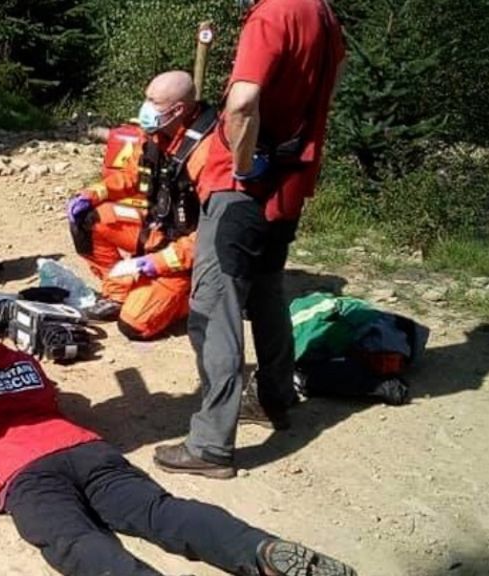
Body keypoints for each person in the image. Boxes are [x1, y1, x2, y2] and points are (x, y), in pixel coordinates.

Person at [0, 300, 357, 576]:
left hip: (22, 473)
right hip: (85, 448)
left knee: (75, 541)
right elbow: (48, 399)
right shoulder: (25, 361)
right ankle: (261, 550)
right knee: (161, 512)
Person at [154, 0, 346, 478]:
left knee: (213, 306)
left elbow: (242, 102)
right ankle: (276, 397)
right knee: (265, 291)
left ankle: (211, 444)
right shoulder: (326, 18)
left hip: (245, 187)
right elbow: (327, 95)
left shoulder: (273, 14)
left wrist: (240, 165)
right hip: (290, 183)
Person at [67, 71, 216, 341]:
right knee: (89, 219)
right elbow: (131, 176)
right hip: (156, 230)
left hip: (188, 254)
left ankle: (192, 296)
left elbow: (212, 234)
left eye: (153, 101)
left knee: (135, 324)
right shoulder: (156, 135)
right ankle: (118, 292)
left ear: (179, 109)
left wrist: (157, 263)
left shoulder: (206, 153)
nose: (145, 107)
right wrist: (93, 193)